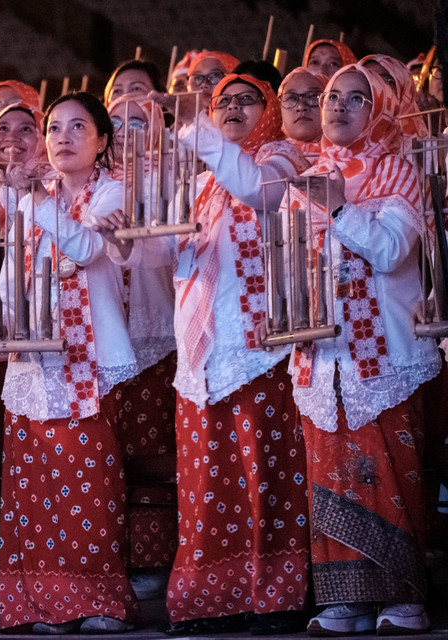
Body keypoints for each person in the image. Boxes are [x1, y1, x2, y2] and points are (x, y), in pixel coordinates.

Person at [284, 63, 441, 637]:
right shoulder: (305, 177)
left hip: (385, 360)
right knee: (329, 474)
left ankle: (403, 596)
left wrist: (342, 207)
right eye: (332, 97)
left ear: (381, 109)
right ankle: (344, 599)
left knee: (390, 472)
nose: (339, 107)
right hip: (322, 356)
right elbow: (289, 266)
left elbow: (394, 252)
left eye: (357, 98)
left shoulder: (397, 171)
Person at [154, 73, 311, 635]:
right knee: (206, 484)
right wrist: (127, 237)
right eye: (224, 102)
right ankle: (208, 597)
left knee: (264, 476)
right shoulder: (197, 181)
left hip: (259, 347)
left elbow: (259, 194)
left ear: (269, 110)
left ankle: (275, 595)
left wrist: (196, 127)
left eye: (249, 100)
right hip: (200, 352)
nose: (234, 109)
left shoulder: (284, 161)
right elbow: (159, 253)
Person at [0, 91, 139, 634]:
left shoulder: (113, 192)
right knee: (36, 483)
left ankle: (98, 601)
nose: (62, 137)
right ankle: (43, 603)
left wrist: (33, 203)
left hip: (91, 357)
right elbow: (10, 273)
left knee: (90, 479)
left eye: (78, 127)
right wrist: (18, 318)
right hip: (35, 354)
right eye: (54, 127)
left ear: (102, 141)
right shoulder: (37, 196)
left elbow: (88, 249)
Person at [104, 94, 179, 599]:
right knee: (113, 450)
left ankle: (155, 559)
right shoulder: (94, 184)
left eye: (139, 122)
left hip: (156, 329)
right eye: (116, 123)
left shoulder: (171, 177)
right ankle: (116, 558)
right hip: (109, 333)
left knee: (151, 447)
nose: (127, 132)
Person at [278, 67, 326, 157]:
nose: (301, 106)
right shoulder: (265, 155)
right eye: (291, 98)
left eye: (313, 96)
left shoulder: (348, 155)